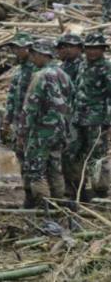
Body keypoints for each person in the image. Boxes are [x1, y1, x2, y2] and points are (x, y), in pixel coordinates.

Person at [17, 39, 72, 208]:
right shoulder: (64, 75)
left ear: (43, 55)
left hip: (41, 131)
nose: (32, 58)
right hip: (58, 131)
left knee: (35, 170)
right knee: (55, 169)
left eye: (34, 55)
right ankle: (59, 203)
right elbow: (71, 103)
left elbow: (30, 105)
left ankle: (45, 206)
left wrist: (22, 132)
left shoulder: (39, 75)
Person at [65, 33, 111, 200]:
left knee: (97, 155)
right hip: (79, 117)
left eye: (96, 48)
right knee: (73, 151)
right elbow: (76, 90)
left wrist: (109, 121)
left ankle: (100, 190)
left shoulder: (106, 68)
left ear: (103, 50)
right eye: (89, 48)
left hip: (97, 120)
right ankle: (76, 186)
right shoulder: (83, 65)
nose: (92, 52)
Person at [2, 32, 37, 208]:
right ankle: (29, 195)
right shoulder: (21, 70)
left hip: (34, 124)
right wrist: (7, 120)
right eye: (15, 47)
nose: (17, 51)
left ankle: (38, 197)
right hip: (20, 122)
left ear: (29, 48)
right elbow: (12, 97)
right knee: (22, 157)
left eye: (20, 47)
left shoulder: (36, 69)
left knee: (34, 160)